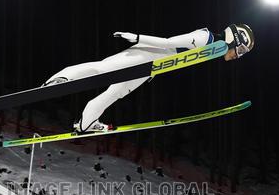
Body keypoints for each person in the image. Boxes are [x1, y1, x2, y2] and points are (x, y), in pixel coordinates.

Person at [44, 24, 255, 133]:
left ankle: (86, 123)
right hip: (145, 54)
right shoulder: (205, 37)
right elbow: (167, 42)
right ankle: (61, 79)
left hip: (151, 69)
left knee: (115, 93)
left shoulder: (212, 49)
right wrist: (137, 38)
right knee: (104, 68)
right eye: (242, 49)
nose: (239, 55)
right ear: (235, 39)